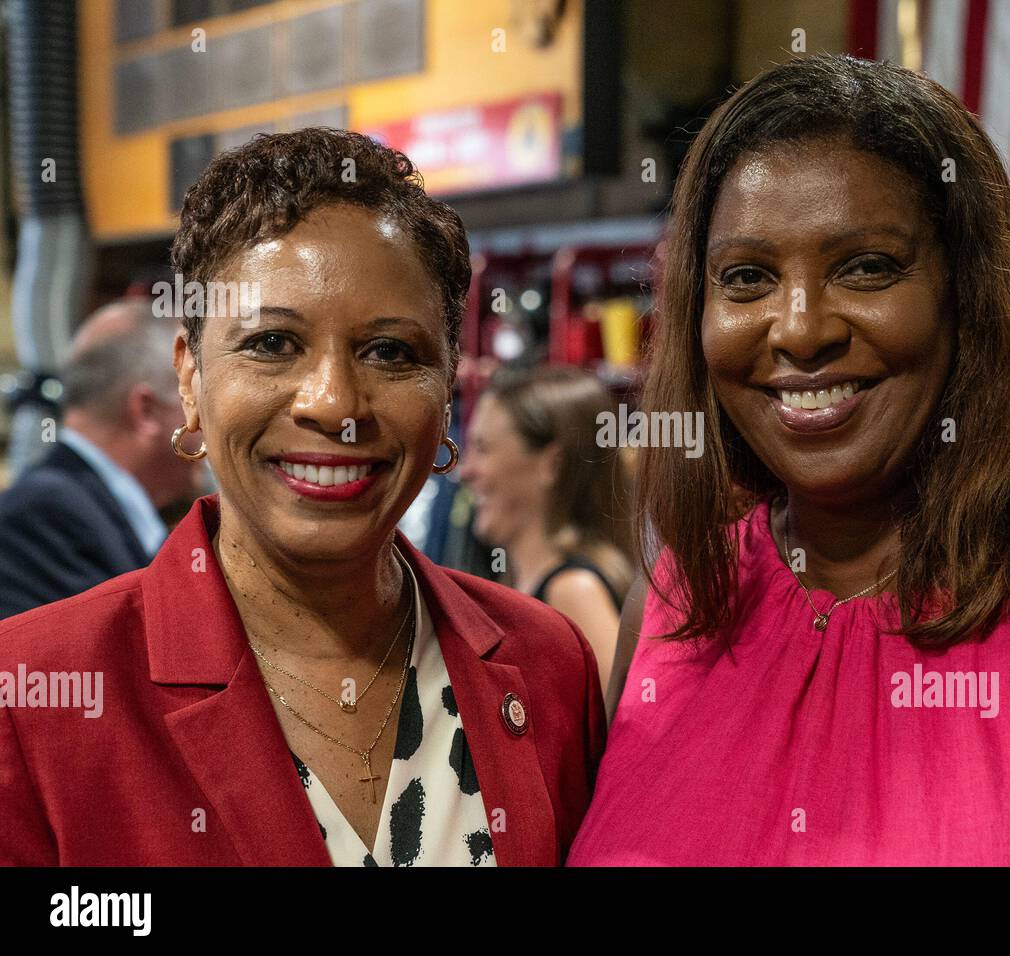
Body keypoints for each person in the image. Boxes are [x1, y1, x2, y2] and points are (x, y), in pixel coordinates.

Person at [568, 54, 1010, 866]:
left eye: (866, 267)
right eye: (747, 278)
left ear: (966, 297)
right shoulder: (676, 601)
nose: (800, 329)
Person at [0, 128, 605, 866]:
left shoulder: (547, 665)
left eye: (390, 352)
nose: (335, 403)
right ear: (190, 379)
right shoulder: (35, 693)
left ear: (447, 391)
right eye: (272, 344)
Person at [0, 299, 205, 618]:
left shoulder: (73, 508)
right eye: (194, 402)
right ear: (146, 411)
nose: (205, 425)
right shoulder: (42, 518)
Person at [461, 364, 634, 693]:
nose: (466, 471)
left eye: (482, 449)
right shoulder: (522, 581)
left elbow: (631, 726)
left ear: (550, 464)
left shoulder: (574, 589)